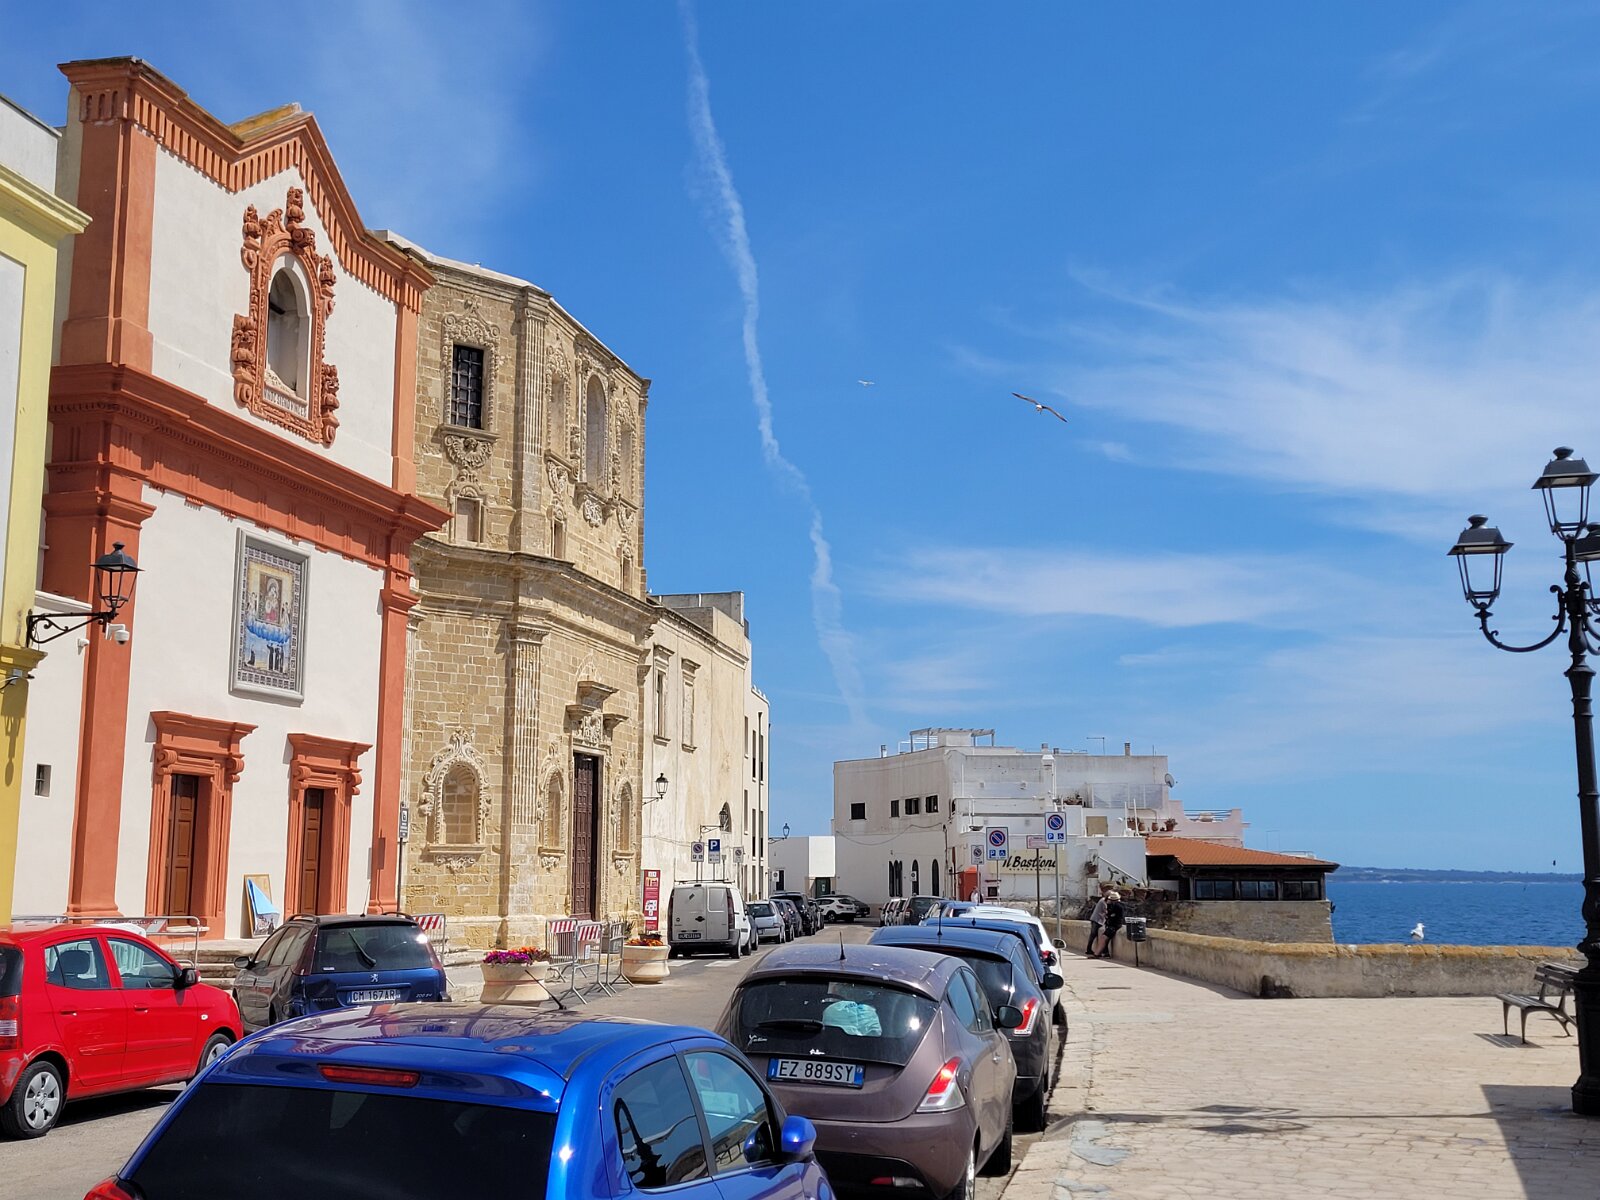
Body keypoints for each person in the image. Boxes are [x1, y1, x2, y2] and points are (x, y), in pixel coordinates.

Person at [1097, 891, 1125, 958]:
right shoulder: (1116, 905)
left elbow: (1110, 914)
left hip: (1114, 925)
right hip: (1112, 924)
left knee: (1104, 938)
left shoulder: (1117, 906)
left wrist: (1108, 913)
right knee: (1104, 938)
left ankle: (1098, 953)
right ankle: (1104, 953)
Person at [1085, 891, 1108, 956]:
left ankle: (1091, 949)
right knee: (1093, 935)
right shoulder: (1103, 902)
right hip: (1097, 920)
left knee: (1094, 935)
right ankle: (1089, 949)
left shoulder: (1102, 900)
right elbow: (1106, 911)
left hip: (1097, 919)